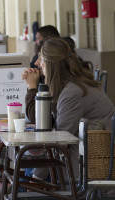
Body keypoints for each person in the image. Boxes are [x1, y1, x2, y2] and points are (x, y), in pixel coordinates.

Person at [22, 37, 115, 181]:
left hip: (85, 167)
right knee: (22, 173)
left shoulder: (72, 92)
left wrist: (36, 178)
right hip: (81, 157)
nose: (37, 63)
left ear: (52, 64)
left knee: (23, 178)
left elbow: (59, 141)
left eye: (41, 57)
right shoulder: (70, 86)